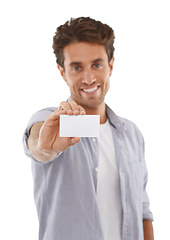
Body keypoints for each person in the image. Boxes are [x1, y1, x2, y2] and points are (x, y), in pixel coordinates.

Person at [23, 17, 154, 240]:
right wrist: (45, 147)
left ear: (110, 65)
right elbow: (38, 145)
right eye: (76, 67)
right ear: (62, 72)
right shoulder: (50, 122)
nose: (89, 78)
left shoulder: (132, 134)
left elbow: (143, 211)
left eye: (96, 64)